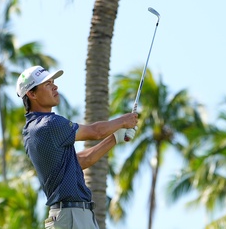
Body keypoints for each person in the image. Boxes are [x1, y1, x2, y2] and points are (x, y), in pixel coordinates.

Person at [16, 65, 139, 229]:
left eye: (53, 82)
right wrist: (124, 121)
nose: (55, 86)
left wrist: (115, 138)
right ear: (32, 94)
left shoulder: (33, 129)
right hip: (71, 216)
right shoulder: (49, 124)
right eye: (47, 84)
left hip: (75, 216)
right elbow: (95, 132)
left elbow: (82, 160)